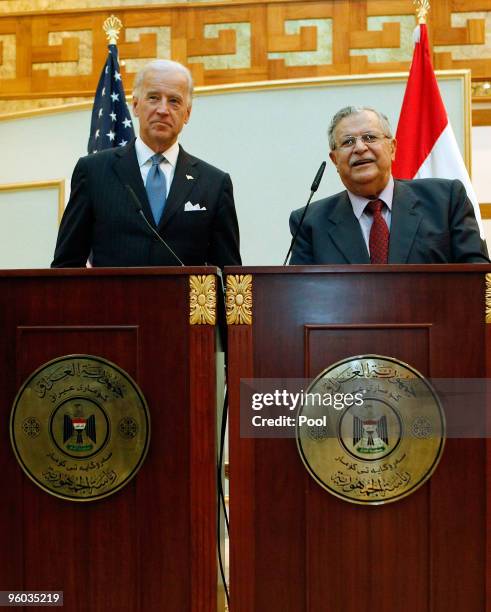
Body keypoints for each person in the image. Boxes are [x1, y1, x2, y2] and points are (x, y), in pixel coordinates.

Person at [52, 59, 241, 267]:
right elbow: (66, 267)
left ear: (187, 113)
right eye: (153, 98)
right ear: (135, 105)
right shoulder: (93, 172)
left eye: (174, 101)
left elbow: (228, 276)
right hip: (111, 299)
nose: (162, 109)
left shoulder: (214, 183)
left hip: (183, 300)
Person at [289, 106, 488, 264]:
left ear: (392, 148)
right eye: (348, 142)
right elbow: (299, 296)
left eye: (369, 137)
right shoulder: (310, 223)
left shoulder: (446, 200)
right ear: (334, 160)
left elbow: (479, 278)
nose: (360, 148)